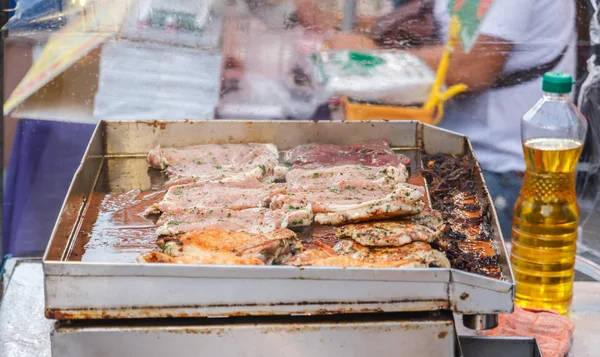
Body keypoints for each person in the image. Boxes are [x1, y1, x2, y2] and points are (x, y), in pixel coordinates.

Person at [295, 0, 577, 240]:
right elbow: (445, 31)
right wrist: (340, 28)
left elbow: (474, 66)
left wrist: (371, 53)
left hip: (498, 173)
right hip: (451, 155)